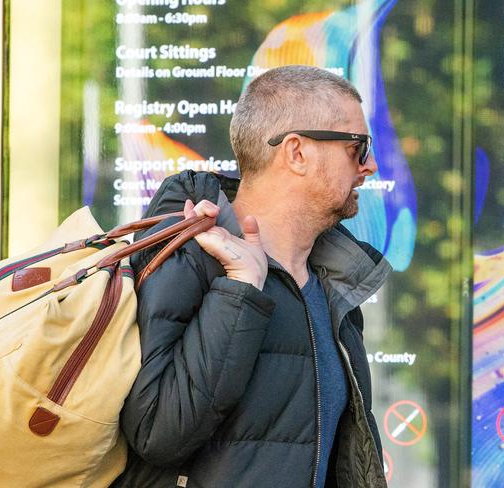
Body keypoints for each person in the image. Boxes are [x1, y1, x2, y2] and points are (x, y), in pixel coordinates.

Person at [113, 65, 392, 488]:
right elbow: (157, 432)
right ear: (297, 152)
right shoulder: (192, 257)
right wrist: (241, 287)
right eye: (358, 147)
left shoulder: (333, 286)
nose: (369, 166)